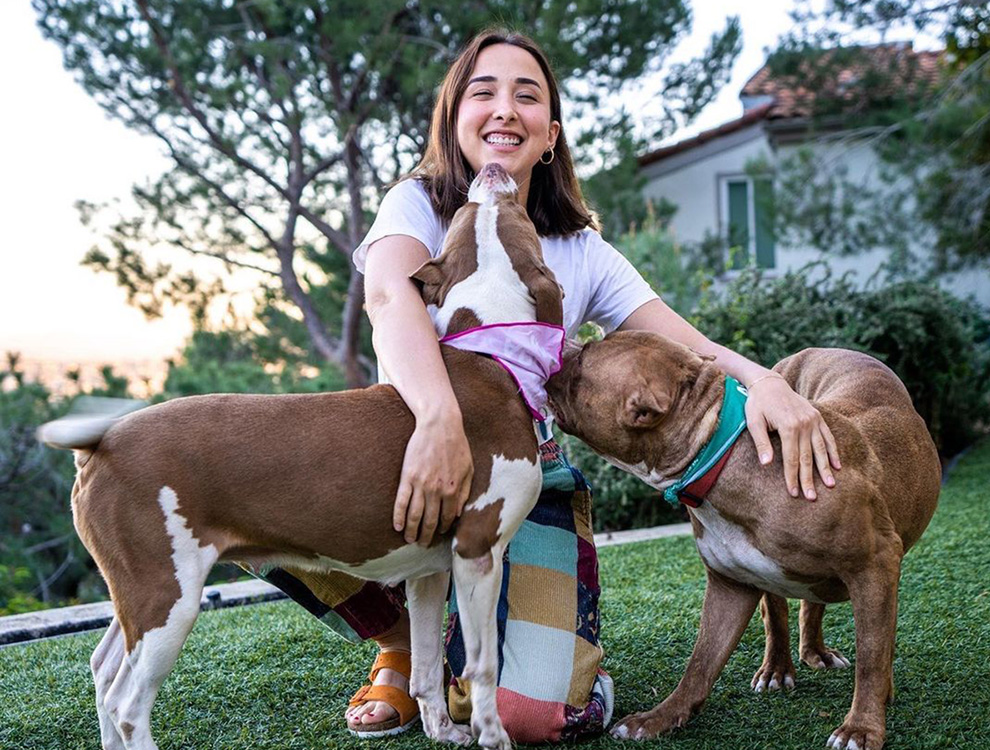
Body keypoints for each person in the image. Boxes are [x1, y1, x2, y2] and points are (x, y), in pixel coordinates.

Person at [258, 27, 841, 743]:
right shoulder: (416, 207)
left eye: (526, 97)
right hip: (410, 466)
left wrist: (769, 384)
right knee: (247, 493)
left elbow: (692, 345)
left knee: (537, 719)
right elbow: (388, 300)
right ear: (453, 120)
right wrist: (439, 421)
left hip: (517, 487)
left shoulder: (581, 252)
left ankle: (534, 656)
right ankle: (408, 645)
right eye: (484, 92)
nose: (504, 109)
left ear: (550, 135)